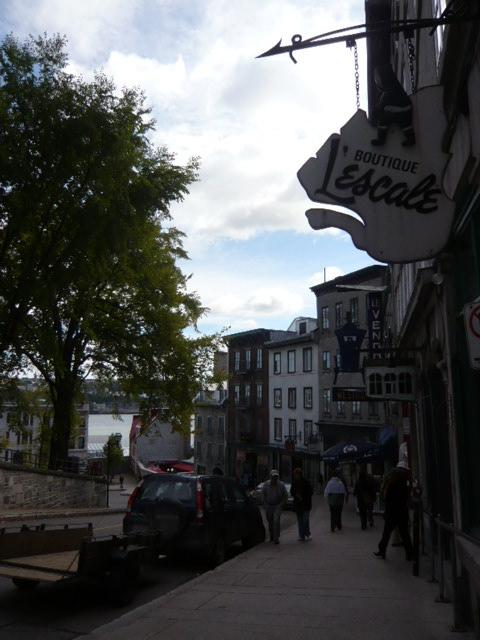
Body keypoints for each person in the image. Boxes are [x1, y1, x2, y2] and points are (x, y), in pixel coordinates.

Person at [374, 461, 414, 561]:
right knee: (404, 533)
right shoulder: (405, 483)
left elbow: (386, 498)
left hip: (391, 512)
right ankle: (409, 553)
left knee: (386, 533)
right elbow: (407, 497)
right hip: (402, 512)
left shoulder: (391, 483)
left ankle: (382, 550)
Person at [262, 469, 288, 544]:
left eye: (276, 477)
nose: (275, 478)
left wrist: (281, 504)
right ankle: (272, 536)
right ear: (270, 477)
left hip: (277, 505)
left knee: (276, 521)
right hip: (269, 505)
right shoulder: (266, 485)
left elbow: (285, 496)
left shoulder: (281, 485)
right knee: (270, 522)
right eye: (273, 477)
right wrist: (265, 505)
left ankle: (276, 538)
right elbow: (263, 495)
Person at [290, 467, 314, 541]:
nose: (295, 476)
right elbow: (292, 491)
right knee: (300, 521)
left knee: (305, 520)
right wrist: (296, 495)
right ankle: (301, 535)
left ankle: (307, 533)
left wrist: (303, 496)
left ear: (299, 474)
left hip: (306, 504)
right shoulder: (294, 483)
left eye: (296, 474)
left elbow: (311, 492)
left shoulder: (306, 482)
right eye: (294, 475)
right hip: (298, 505)